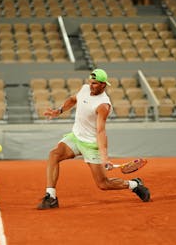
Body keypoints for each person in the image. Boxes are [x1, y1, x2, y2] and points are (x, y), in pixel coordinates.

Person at [37, 69, 151, 210]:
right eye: (91, 82)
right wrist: (58, 111)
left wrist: (104, 158)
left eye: (95, 84)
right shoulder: (85, 89)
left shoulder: (103, 105)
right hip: (76, 137)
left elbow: (100, 131)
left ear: (104, 85)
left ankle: (134, 184)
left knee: (103, 184)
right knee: (54, 155)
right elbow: (73, 99)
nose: (91, 86)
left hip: (90, 144)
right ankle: (51, 197)